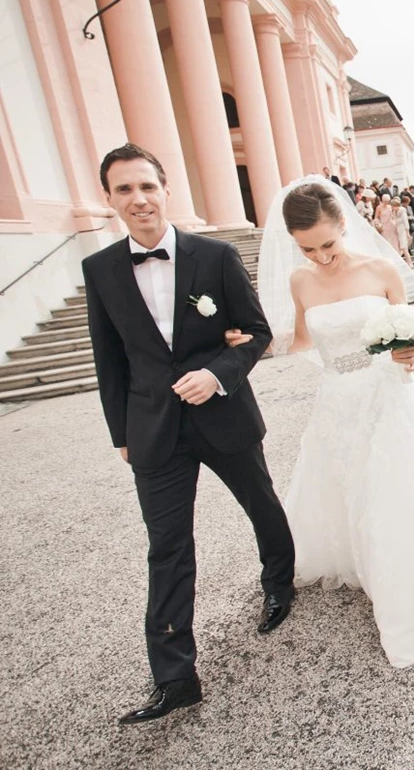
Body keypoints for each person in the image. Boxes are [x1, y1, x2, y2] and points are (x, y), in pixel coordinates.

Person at [251, 177, 414, 668]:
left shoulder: (382, 268)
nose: (322, 257)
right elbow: (305, 340)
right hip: (336, 401)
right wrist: (266, 341)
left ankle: (409, 585)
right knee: (346, 487)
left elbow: (409, 333)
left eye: (328, 244)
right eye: (308, 249)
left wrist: (408, 353)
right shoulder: (299, 280)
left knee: (395, 490)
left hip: (388, 393)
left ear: (344, 225)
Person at [83, 143, 296, 725]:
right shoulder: (99, 270)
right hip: (153, 429)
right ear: (110, 199)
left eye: (146, 186)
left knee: (261, 503)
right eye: (124, 189)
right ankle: (175, 676)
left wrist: (217, 373)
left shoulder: (216, 256)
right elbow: (110, 362)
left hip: (222, 414)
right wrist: (119, 433)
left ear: (166, 189)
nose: (139, 199)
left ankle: (280, 581)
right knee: (167, 547)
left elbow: (259, 333)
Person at [378, 197, 412, 267]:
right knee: (401, 247)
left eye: (393, 206)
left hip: (403, 231)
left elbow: (406, 222)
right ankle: (404, 261)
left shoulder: (402, 211)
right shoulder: (394, 212)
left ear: (396, 206)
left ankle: (410, 263)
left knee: (404, 248)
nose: (392, 208)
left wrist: (407, 233)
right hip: (398, 231)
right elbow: (394, 221)